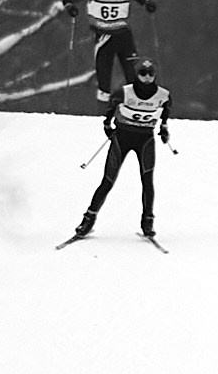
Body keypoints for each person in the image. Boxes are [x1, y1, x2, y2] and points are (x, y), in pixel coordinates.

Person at [71, 57, 172, 241]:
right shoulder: (124, 92)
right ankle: (88, 220)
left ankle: (147, 221)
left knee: (147, 181)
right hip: (122, 138)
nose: (147, 77)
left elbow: (165, 112)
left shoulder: (163, 95)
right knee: (108, 181)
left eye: (150, 74)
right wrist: (108, 126)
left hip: (146, 139)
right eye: (143, 73)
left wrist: (164, 129)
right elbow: (109, 112)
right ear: (137, 74)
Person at [53, 0, 157, 103]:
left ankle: (135, 108)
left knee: (131, 73)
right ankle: (102, 113)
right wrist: (70, 7)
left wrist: (147, 3)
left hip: (123, 36)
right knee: (103, 78)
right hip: (104, 37)